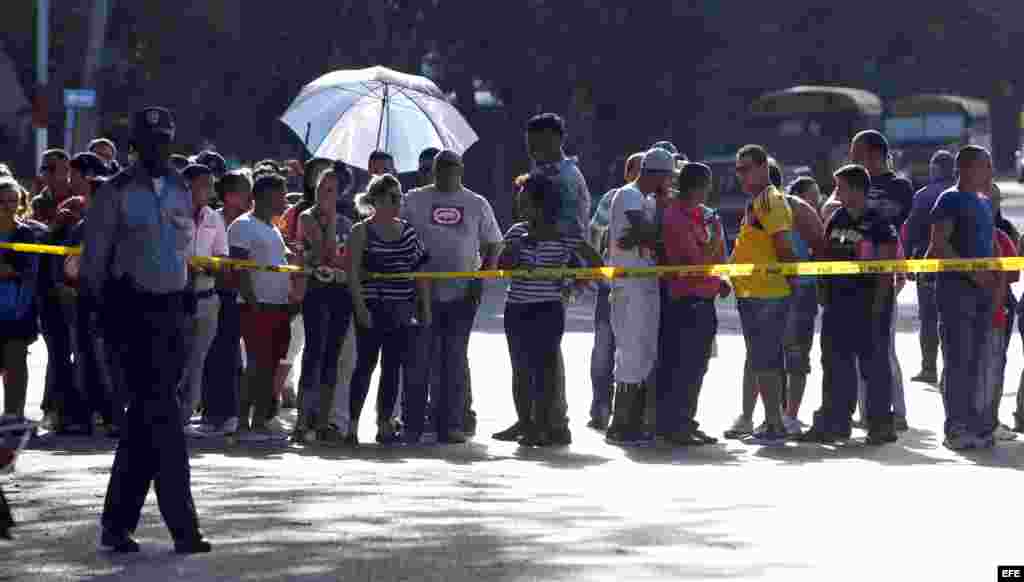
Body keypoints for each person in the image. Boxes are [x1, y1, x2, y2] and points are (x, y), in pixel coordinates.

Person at [80, 106, 210, 553]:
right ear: (135, 147)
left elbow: (180, 252)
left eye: (164, 143)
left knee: (146, 424)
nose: (158, 151)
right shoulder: (113, 193)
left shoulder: (179, 188)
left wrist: (187, 300)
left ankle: (116, 525)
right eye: (150, 143)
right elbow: (95, 263)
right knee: (165, 418)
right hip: (131, 315)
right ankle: (184, 527)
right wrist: (101, 319)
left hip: (173, 313)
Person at [403, 151, 501, 443]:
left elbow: (494, 243)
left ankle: (454, 421)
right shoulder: (414, 199)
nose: (446, 173)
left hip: (463, 292)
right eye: (441, 168)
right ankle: (422, 420)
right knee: (424, 355)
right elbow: (399, 232)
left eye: (451, 168)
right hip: (422, 292)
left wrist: (484, 276)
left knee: (455, 356)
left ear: (461, 170)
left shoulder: (476, 203)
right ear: (433, 170)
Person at [499, 173, 602, 446]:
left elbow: (595, 262)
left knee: (545, 371)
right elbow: (502, 265)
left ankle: (544, 426)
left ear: (543, 204)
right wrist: (520, 245)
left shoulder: (563, 234)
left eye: (527, 202)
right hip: (517, 309)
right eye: (520, 202)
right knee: (520, 369)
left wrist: (571, 281)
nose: (521, 208)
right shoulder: (516, 231)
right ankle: (526, 425)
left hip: (548, 310)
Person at [799, 165, 899, 445]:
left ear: (856, 189)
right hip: (837, 307)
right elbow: (824, 258)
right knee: (834, 365)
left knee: (874, 367)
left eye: (840, 187)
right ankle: (835, 422)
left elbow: (886, 266)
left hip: (869, 305)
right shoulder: (836, 219)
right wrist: (823, 293)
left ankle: (880, 424)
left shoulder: (878, 221)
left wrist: (879, 305)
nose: (836, 192)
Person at [513, 113, 592, 444]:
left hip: (558, 269)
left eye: (538, 142)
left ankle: (556, 422)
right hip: (536, 264)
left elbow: (574, 229)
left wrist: (572, 276)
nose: (531, 148)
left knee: (547, 356)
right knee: (530, 356)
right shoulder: (541, 172)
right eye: (529, 143)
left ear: (556, 139)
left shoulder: (567, 177)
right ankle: (530, 419)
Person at [348, 174, 430, 445]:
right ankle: (352, 425)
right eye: (394, 198)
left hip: (401, 309)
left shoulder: (406, 230)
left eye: (400, 197)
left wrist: (424, 308)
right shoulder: (361, 231)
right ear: (378, 200)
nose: (399, 202)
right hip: (372, 307)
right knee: (365, 366)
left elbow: (419, 271)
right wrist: (360, 308)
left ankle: (384, 423)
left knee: (392, 368)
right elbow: (352, 274)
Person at [926, 145, 997, 451]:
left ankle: (974, 423)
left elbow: (990, 246)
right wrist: (972, 273)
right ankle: (955, 427)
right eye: (985, 166)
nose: (990, 172)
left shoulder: (983, 202)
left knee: (976, 361)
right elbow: (939, 244)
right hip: (956, 293)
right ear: (967, 168)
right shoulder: (950, 199)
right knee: (957, 360)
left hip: (982, 294)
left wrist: (993, 283)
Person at [725, 145, 795, 445]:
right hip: (753, 292)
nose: (740, 175)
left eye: (745, 168)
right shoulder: (758, 201)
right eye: (738, 169)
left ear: (763, 166)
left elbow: (783, 247)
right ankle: (759, 419)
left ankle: (774, 423)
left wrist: (791, 280)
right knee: (759, 358)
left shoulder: (769, 200)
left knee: (765, 359)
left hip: (766, 293)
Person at [603, 148, 672, 446]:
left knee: (645, 353)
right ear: (656, 173)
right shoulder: (628, 194)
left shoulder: (648, 200)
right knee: (630, 352)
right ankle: (620, 425)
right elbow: (647, 234)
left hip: (646, 283)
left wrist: (648, 234)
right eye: (667, 177)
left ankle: (634, 422)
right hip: (628, 285)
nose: (668, 183)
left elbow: (649, 235)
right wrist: (648, 234)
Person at [656, 162, 729, 445]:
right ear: (698, 186)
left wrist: (721, 277)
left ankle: (686, 420)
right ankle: (675, 425)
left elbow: (715, 258)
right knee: (683, 365)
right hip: (686, 301)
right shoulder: (676, 216)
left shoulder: (702, 215)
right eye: (707, 184)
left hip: (704, 298)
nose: (710, 190)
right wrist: (714, 244)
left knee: (698, 365)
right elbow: (693, 262)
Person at [228, 172, 296, 442]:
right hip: (256, 306)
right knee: (255, 365)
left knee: (269, 366)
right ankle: (243, 423)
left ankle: (260, 422)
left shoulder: (273, 228)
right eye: (281, 194)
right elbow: (239, 266)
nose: (284, 199)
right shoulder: (242, 225)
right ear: (265, 196)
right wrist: (252, 301)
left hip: (278, 306)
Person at [293, 167, 354, 444]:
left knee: (333, 355)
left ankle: (323, 421)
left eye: (330, 190)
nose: (323, 195)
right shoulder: (308, 216)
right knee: (313, 352)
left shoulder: (347, 222)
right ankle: (302, 419)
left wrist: (334, 225)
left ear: (340, 193)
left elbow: (344, 261)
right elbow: (324, 252)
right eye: (320, 189)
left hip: (340, 293)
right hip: (316, 291)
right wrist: (328, 224)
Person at [585, 152, 643, 430]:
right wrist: (596, 264)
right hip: (611, 287)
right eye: (636, 169)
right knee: (604, 350)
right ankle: (600, 406)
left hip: (643, 289)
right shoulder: (613, 197)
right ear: (627, 172)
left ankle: (628, 411)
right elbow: (595, 229)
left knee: (632, 352)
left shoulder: (655, 198)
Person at [193, 171, 253, 438]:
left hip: (233, 297)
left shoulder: (246, 224)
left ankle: (229, 413)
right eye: (243, 191)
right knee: (208, 356)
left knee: (229, 356)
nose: (248, 197)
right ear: (228, 195)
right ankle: (209, 412)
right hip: (208, 294)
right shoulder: (213, 218)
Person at [178, 164, 228, 424]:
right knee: (177, 358)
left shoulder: (213, 217)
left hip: (207, 294)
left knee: (197, 360)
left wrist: (209, 264)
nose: (210, 190)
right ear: (188, 185)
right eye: (204, 184)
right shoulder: (172, 213)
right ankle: (170, 412)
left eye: (211, 184)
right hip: (176, 295)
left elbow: (222, 254)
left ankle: (185, 416)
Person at [903, 150, 956, 385]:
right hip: (958, 265)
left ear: (934, 169)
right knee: (953, 317)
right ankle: (952, 369)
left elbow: (911, 229)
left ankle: (929, 367)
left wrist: (905, 260)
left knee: (928, 317)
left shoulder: (924, 195)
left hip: (928, 262)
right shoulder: (963, 194)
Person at [781, 176, 825, 434]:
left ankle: (790, 414)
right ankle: (781, 414)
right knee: (786, 353)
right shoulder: (792, 212)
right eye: (812, 194)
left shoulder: (811, 218)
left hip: (804, 289)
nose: (816, 200)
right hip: (788, 290)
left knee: (797, 354)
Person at [0, 178, 40, 426]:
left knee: (15, 361)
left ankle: (14, 413)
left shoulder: (25, 233)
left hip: (16, 308)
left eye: (12, 201)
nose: (7, 206)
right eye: (2, 201)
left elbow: (29, 272)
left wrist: (9, 272)